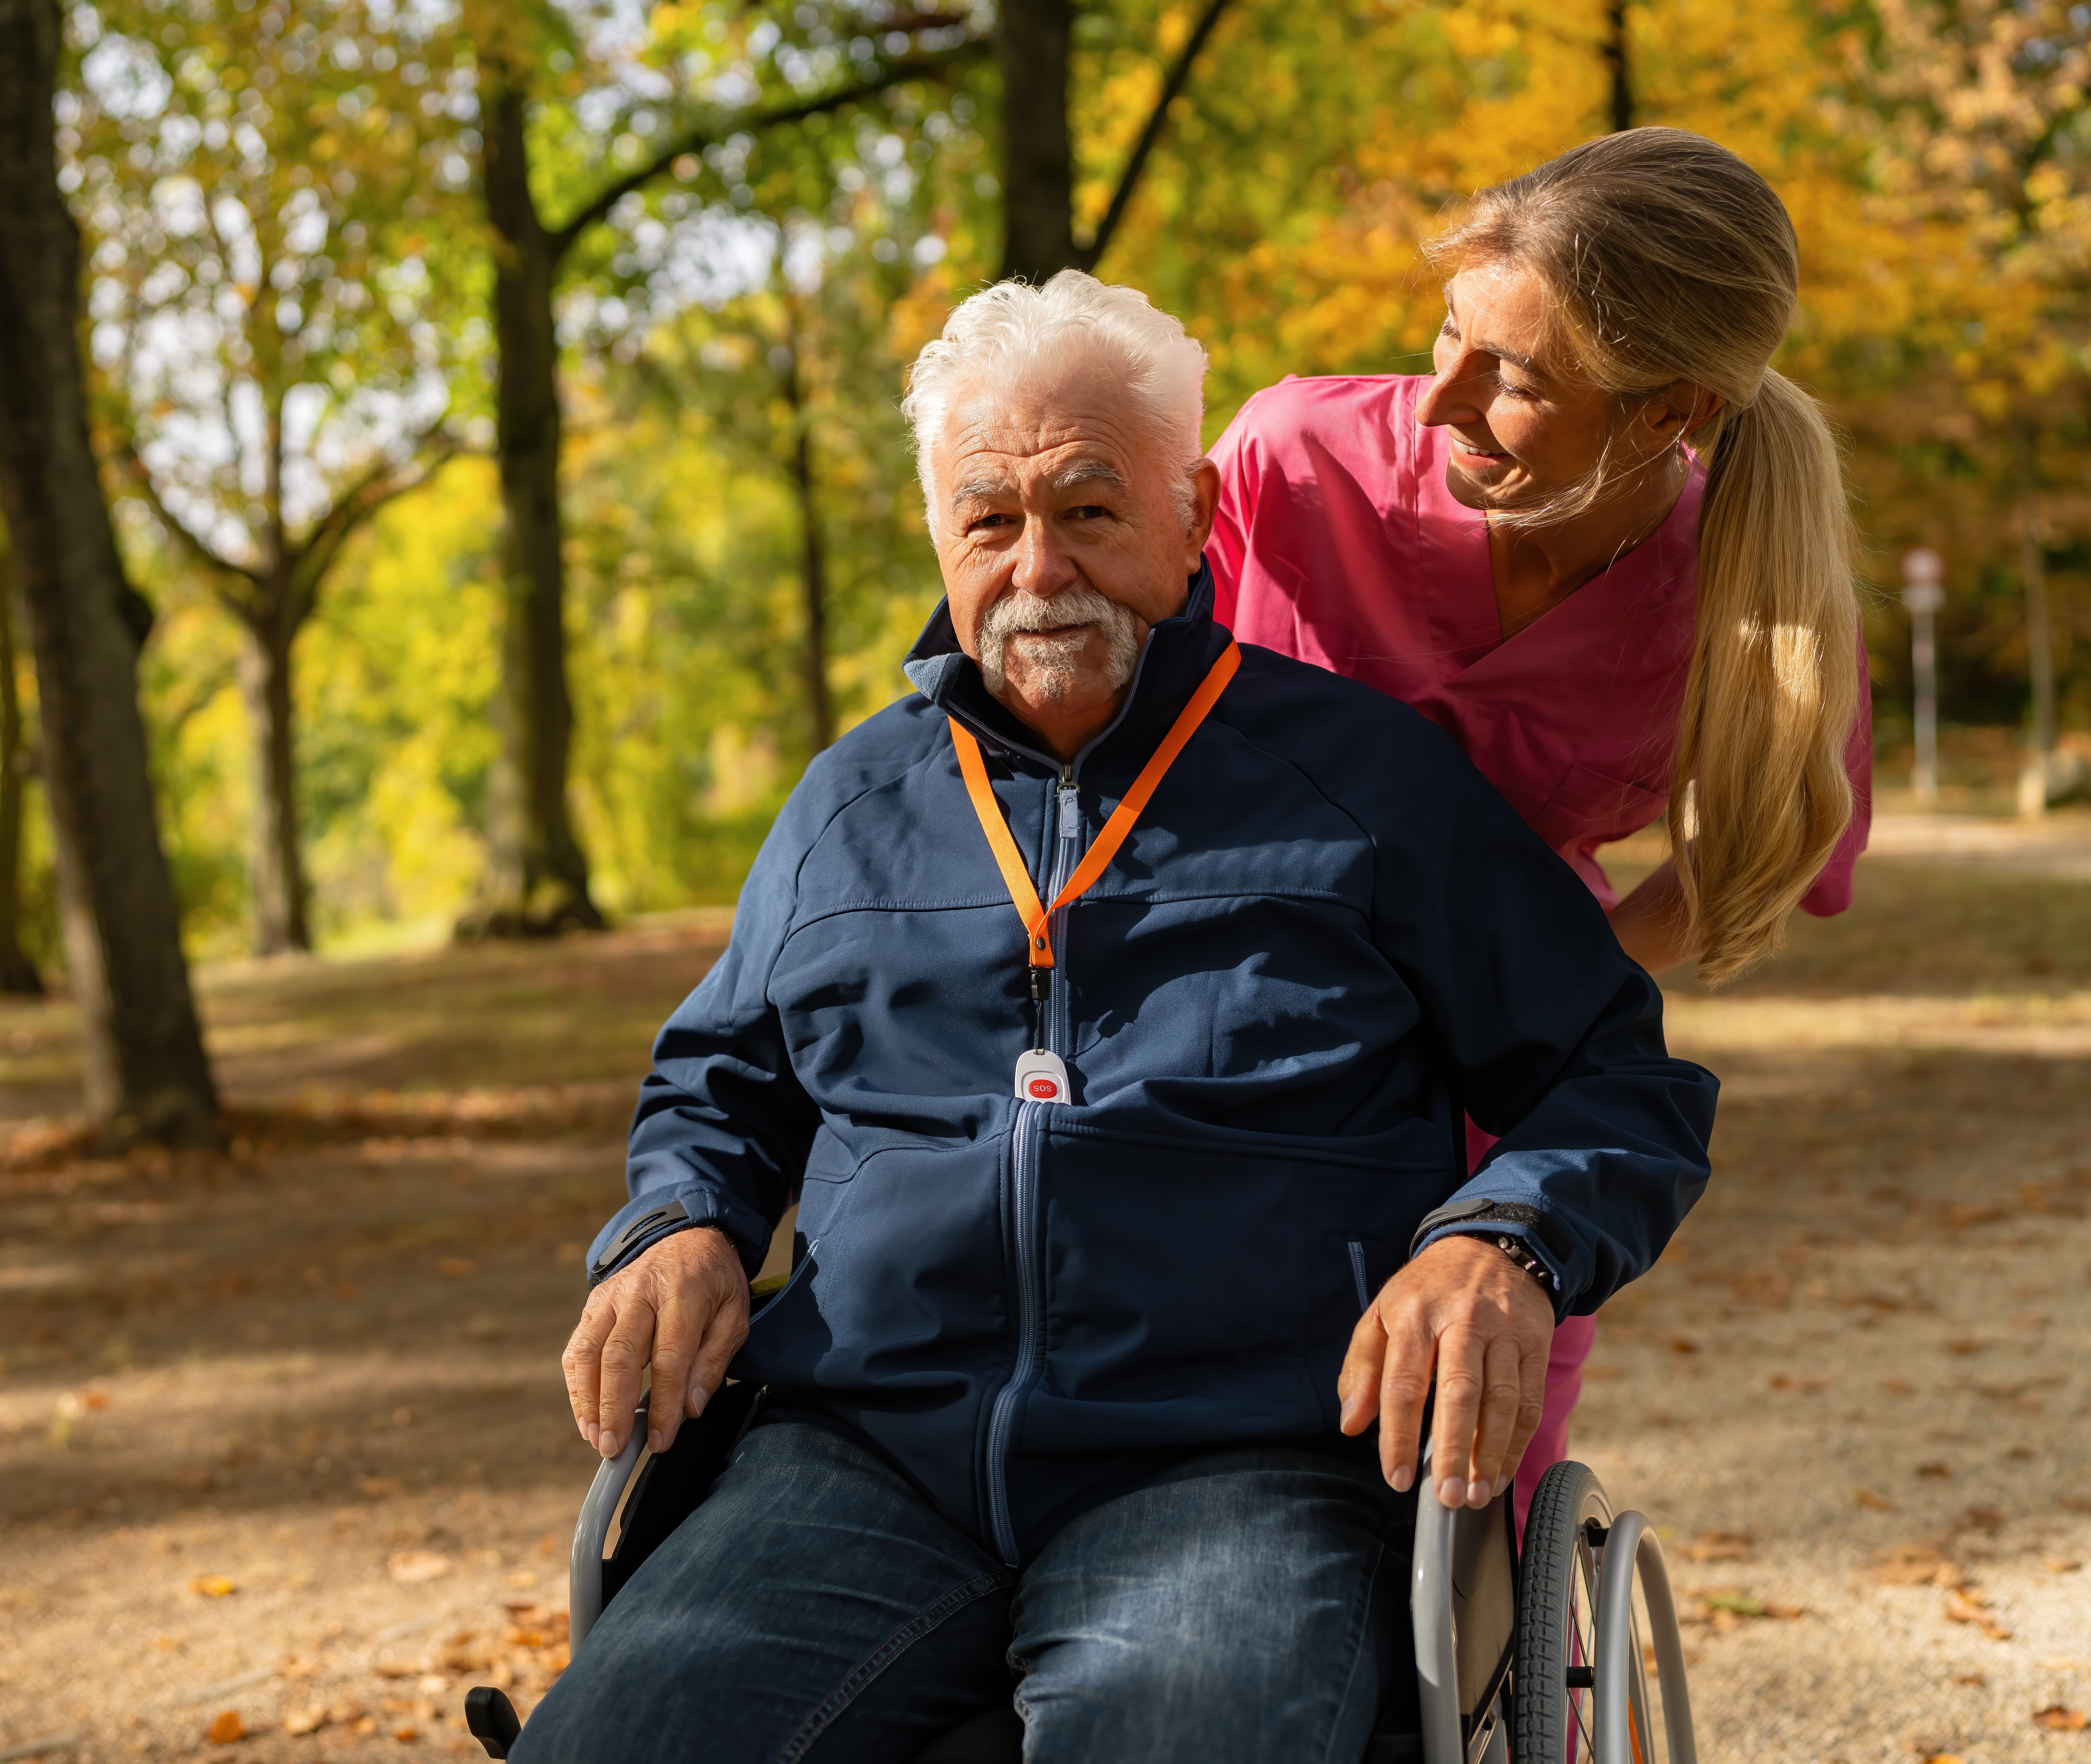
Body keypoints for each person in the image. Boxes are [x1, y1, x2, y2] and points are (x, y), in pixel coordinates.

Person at [513, 271, 1715, 1763]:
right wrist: (679, 1216)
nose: (1037, 566)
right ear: (937, 536)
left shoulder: (1362, 782)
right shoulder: (847, 806)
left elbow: (1610, 1077)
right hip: (863, 1450)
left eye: (1088, 509)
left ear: (1193, 509)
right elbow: (720, 1077)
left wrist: (1504, 1239)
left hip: (1238, 1453)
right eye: (987, 519)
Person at [1204, 127, 1871, 1514]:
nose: (1441, 396)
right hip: (1243, 1033)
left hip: (1514, 1097)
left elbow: (1775, 838)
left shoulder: (1747, 591)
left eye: (1511, 377)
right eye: (1447, 333)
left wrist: (1578, 984)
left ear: (1667, 413)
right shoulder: (1295, 456)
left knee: (1464, 1494)